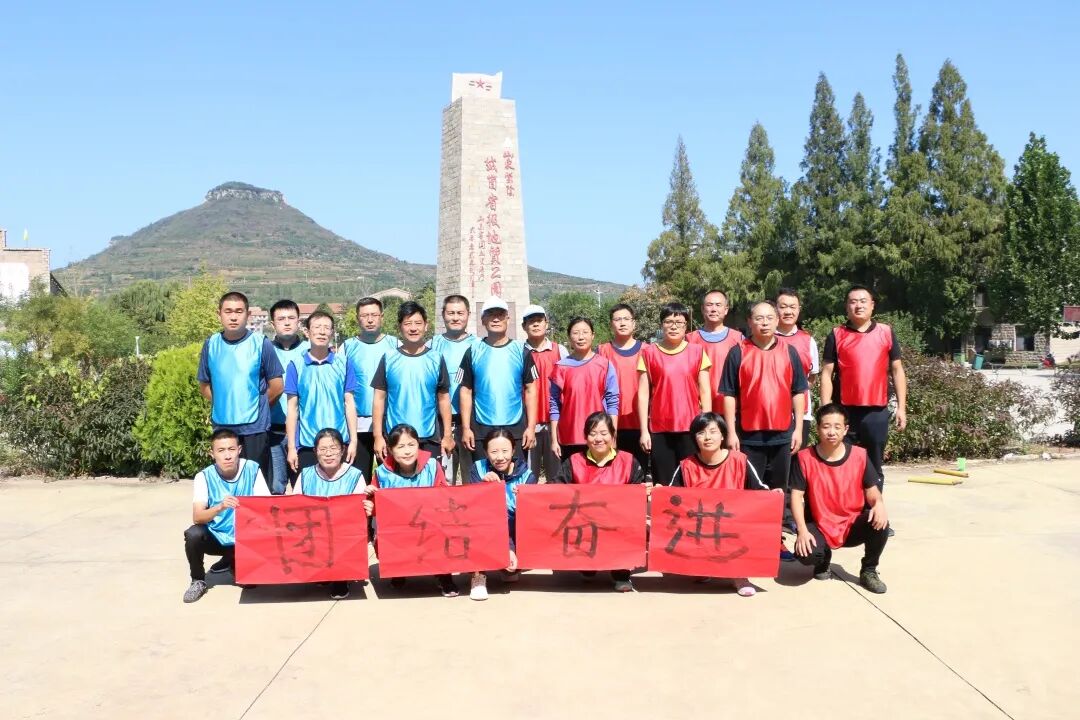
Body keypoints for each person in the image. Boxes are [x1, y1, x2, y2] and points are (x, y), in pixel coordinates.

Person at [720, 301, 807, 560]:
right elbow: (729, 394)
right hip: (749, 435)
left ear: (777, 320)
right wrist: (731, 432)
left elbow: (798, 392)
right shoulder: (737, 352)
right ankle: (749, 541)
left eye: (770, 317)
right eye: (759, 318)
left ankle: (775, 541)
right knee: (750, 492)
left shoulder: (789, 352)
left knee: (778, 491)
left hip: (782, 434)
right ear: (750, 322)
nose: (765, 322)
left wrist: (798, 429)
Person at [820, 285, 907, 518]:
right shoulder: (836, 334)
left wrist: (901, 407)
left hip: (876, 411)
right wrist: (826, 409)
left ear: (872, 305)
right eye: (853, 301)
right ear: (846, 307)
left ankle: (875, 515)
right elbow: (827, 373)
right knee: (841, 462)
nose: (858, 305)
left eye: (863, 301)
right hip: (844, 412)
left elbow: (897, 370)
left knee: (874, 465)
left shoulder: (886, 332)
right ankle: (841, 515)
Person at [790, 404, 890, 594]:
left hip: (851, 524)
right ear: (818, 428)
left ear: (845, 429)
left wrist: (879, 504)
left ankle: (869, 570)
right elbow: (796, 497)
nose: (831, 432)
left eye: (837, 427)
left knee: (881, 522)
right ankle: (823, 559)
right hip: (819, 524)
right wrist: (802, 531)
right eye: (826, 426)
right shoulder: (804, 458)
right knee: (807, 554)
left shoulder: (859, 455)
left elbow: (872, 491)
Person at [670, 412, 771, 597]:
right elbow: (671, 499)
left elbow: (760, 490)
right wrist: (658, 491)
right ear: (694, 438)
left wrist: (773, 495)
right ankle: (702, 565)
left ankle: (740, 575)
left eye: (713, 431)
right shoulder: (686, 466)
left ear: (723, 435)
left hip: (732, 525)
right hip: (700, 526)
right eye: (701, 433)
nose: (707, 437)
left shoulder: (739, 460)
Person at [197, 291, 284, 491]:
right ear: (219, 314)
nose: (233, 317)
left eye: (239, 311)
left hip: (255, 429)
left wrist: (259, 406)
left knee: (256, 485)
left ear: (247, 315)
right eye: (228, 311)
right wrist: (223, 404)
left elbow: (277, 386)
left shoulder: (261, 344)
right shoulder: (211, 345)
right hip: (222, 427)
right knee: (225, 484)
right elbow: (204, 385)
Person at [551, 412, 646, 592]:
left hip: (617, 524)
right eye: (593, 434)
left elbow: (636, 495)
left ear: (613, 435)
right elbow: (556, 488)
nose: (598, 439)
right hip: (585, 524)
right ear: (585, 437)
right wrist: (527, 493)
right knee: (587, 569)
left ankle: (621, 573)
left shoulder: (628, 461)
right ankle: (588, 564)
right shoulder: (574, 461)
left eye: (603, 433)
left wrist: (645, 491)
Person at [369, 424, 458, 597]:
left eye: (411, 445)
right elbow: (375, 509)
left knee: (446, 528)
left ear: (418, 445)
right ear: (390, 450)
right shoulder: (381, 473)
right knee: (382, 532)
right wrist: (371, 502)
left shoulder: (432, 466)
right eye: (400, 446)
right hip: (399, 527)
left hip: (429, 523)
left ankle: (444, 575)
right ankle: (398, 570)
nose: (407, 451)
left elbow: (444, 497)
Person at [182, 429, 270, 603]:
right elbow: (197, 517)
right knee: (193, 534)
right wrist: (220, 507)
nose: (227, 456)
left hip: (246, 538)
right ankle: (198, 580)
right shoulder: (203, 477)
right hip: (217, 537)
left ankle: (235, 564)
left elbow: (266, 507)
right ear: (212, 454)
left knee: (250, 584)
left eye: (231, 449)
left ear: (239, 450)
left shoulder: (252, 469)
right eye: (221, 451)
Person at [637, 302, 712, 486]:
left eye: (679, 322)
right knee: (663, 483)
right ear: (661, 325)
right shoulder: (648, 353)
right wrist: (644, 431)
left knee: (692, 481)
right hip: (660, 428)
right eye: (668, 322)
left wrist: (707, 426)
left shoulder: (697, 352)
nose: (673, 326)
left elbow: (705, 391)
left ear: (686, 326)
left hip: (691, 428)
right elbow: (643, 395)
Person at [459, 296, 538, 464]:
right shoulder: (473, 350)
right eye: (491, 314)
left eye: (500, 314)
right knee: (483, 477)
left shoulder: (521, 350)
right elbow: (465, 391)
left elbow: (531, 390)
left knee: (516, 476)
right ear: (483, 320)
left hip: (516, 428)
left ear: (508, 318)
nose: (496, 319)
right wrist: (466, 428)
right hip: (481, 428)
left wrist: (531, 427)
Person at [372, 301, 454, 462]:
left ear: (426, 325)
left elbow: (444, 399)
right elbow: (378, 399)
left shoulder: (436, 358)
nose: (413, 328)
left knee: (430, 478)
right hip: (396, 438)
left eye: (418, 323)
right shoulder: (389, 358)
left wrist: (447, 435)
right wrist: (378, 436)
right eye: (408, 323)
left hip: (429, 437)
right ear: (400, 327)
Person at [465, 429, 538, 600]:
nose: (500, 457)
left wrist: (524, 499)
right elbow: (475, 511)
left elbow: (530, 520)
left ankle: (507, 565)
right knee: (475, 525)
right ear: (486, 452)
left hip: (514, 532)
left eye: (505, 451)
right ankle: (478, 575)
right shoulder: (478, 469)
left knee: (511, 570)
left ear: (513, 451)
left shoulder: (527, 477)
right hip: (486, 529)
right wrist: (484, 487)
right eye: (494, 452)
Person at [297, 428, 368, 599]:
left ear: (342, 450)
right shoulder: (306, 475)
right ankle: (319, 571)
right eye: (323, 449)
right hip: (314, 532)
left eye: (333, 448)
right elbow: (295, 506)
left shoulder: (355, 475)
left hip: (343, 533)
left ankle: (340, 579)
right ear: (315, 451)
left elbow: (359, 513)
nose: (328, 454)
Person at [284, 311, 358, 474]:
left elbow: (349, 404)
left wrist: (353, 441)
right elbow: (292, 409)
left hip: (339, 442)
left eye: (327, 328)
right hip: (307, 443)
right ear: (307, 332)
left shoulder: (344, 363)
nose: (322, 332)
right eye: (317, 327)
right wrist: (291, 447)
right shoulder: (295, 365)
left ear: (332, 332)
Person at [342, 297, 399, 477]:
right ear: (357, 318)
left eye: (374, 315)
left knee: (391, 476)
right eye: (364, 315)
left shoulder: (395, 344)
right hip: (357, 424)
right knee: (359, 478)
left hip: (388, 422)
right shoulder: (348, 346)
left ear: (382, 316)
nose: (370, 320)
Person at [550, 316, 619, 459]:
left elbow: (613, 402)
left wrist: (612, 435)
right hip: (569, 436)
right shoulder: (561, 367)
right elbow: (554, 405)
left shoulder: (604, 365)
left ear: (593, 335)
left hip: (599, 437)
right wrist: (554, 439)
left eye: (585, 332)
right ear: (569, 337)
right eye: (575, 333)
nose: (581, 337)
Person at [429, 294, 480, 483]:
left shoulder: (478, 345)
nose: (456, 318)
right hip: (441, 422)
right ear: (443, 314)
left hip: (470, 421)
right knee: (444, 478)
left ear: (468, 315)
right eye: (451, 313)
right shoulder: (432, 345)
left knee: (472, 478)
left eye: (460, 313)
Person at [598, 304, 649, 471]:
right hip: (611, 424)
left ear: (634, 323)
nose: (622, 323)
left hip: (641, 423)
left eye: (626, 319)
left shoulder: (648, 351)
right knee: (613, 472)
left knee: (640, 473)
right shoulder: (602, 351)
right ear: (611, 324)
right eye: (617, 319)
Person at [521, 304, 569, 480]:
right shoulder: (518, 351)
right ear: (524, 326)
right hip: (528, 425)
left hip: (554, 424)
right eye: (531, 321)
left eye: (539, 320)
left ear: (546, 324)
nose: (535, 324)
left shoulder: (560, 350)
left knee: (556, 477)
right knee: (527, 477)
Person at [267, 300, 309, 494]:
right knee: (276, 487)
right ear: (272, 323)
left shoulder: (310, 350)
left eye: (291, 318)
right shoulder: (265, 350)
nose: (286, 322)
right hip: (273, 431)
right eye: (281, 319)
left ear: (298, 322)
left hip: (303, 432)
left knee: (304, 487)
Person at [774, 288, 819, 449]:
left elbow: (812, 377)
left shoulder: (808, 340)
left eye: (793, 307)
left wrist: (795, 396)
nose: (788, 311)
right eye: (783, 307)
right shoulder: (764, 338)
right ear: (775, 309)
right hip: (770, 411)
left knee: (796, 459)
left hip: (800, 414)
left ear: (799, 310)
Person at [687, 290, 744, 414]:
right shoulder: (689, 339)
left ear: (726, 309)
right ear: (702, 309)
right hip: (699, 409)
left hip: (731, 408)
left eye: (718, 305)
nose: (713, 309)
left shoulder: (739, 339)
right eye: (709, 305)